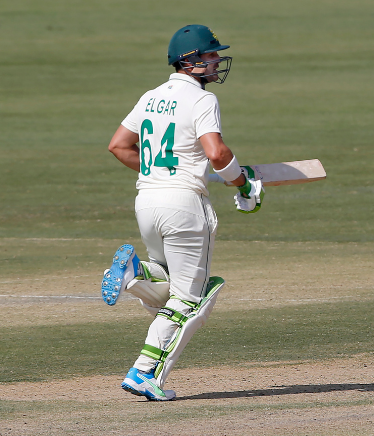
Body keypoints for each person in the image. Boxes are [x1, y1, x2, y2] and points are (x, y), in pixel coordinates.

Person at [102, 24, 264, 401]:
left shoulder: (151, 96)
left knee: (169, 281)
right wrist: (241, 183)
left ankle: (136, 272)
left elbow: (118, 146)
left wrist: (161, 171)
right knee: (192, 299)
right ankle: (144, 373)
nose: (216, 60)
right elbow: (217, 153)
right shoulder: (202, 100)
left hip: (147, 202)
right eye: (210, 55)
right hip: (184, 207)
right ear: (189, 61)